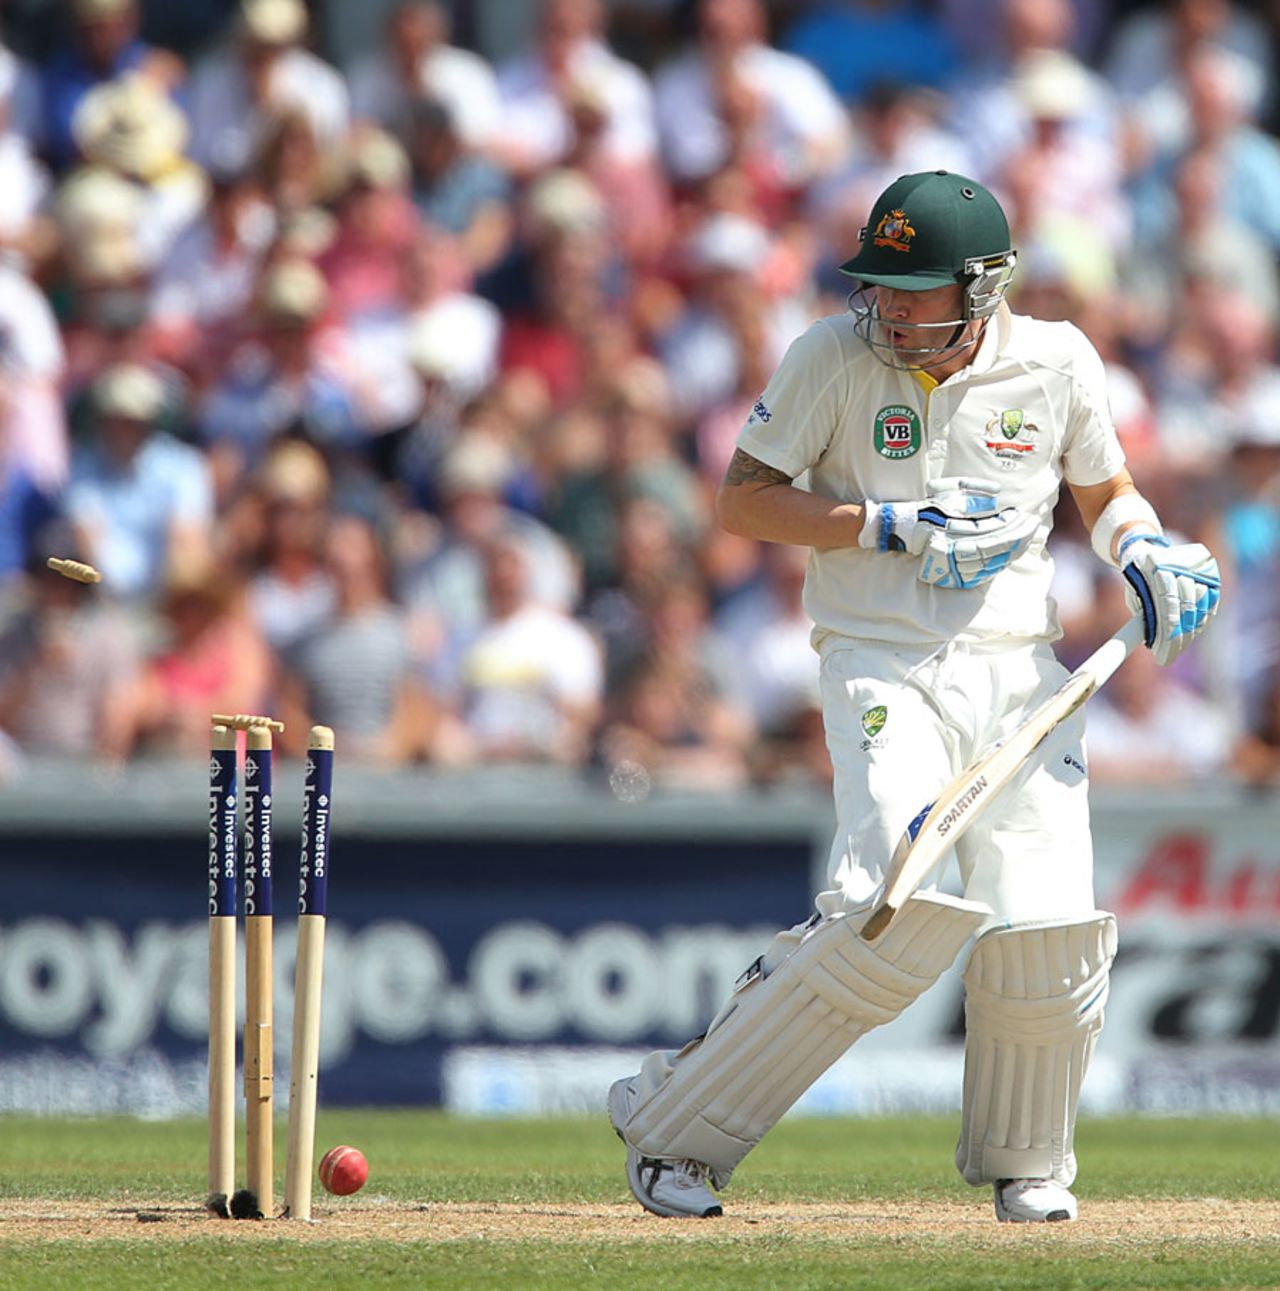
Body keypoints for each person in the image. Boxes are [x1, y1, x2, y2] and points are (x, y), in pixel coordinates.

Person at [607, 170, 1222, 1224]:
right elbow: (742, 501)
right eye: (878, 286)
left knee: (1045, 925)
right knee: (885, 905)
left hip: (1021, 671)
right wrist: (880, 525)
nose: (887, 307)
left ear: (980, 286)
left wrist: (1145, 549)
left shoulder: (1056, 360)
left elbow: (1103, 492)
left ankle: (1027, 1161)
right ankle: (674, 1132)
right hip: (879, 656)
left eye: (913, 289)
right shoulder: (828, 357)